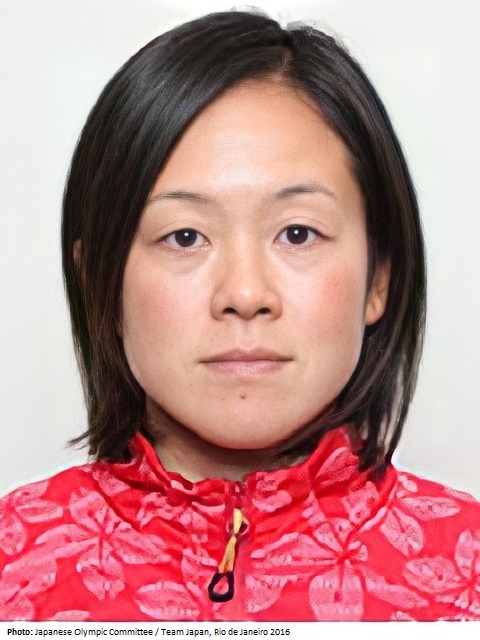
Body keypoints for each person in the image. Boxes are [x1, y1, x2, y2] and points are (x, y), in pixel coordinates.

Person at [1, 9, 479, 622]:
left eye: (298, 233)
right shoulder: (13, 568)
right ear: (101, 282)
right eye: (184, 237)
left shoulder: (466, 576)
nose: (246, 293)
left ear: (378, 277)